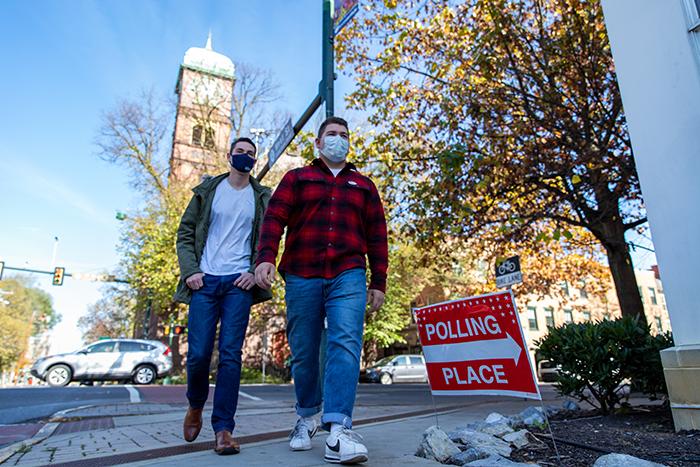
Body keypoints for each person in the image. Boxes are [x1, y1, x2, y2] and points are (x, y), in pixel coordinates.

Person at [255, 116, 388, 464]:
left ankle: (339, 428)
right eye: (331, 134)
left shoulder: (364, 186)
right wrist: (265, 257)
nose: (338, 139)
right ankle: (306, 416)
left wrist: (379, 281)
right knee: (303, 349)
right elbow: (274, 219)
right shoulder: (297, 178)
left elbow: (377, 235)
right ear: (318, 143)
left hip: (349, 273)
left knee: (346, 342)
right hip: (301, 273)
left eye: (344, 135)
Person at [174, 137, 271, 455]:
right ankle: (195, 404)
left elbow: (269, 239)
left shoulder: (260, 197)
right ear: (229, 156)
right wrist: (190, 272)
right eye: (240, 152)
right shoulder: (208, 191)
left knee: (231, 356)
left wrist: (254, 270)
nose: (245, 156)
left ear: (254, 162)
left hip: (238, 285)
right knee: (199, 354)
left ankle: (223, 430)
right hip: (205, 282)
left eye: (250, 154)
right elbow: (185, 232)